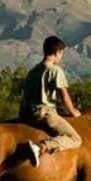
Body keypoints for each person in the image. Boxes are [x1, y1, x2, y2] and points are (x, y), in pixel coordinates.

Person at [20, 35, 82, 166]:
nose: (61, 57)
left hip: (27, 114)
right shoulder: (55, 70)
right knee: (75, 139)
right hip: (44, 114)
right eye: (61, 53)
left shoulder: (32, 71)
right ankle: (41, 147)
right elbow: (64, 95)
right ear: (57, 52)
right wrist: (73, 111)